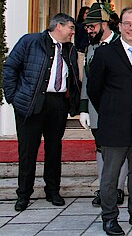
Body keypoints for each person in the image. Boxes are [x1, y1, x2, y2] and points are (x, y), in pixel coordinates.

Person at [3, 13, 80, 211]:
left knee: (54, 149)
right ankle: (23, 194)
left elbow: (73, 78)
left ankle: (53, 191)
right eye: (71, 27)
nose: (73, 32)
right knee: (27, 150)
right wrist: (13, 97)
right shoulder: (30, 42)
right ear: (59, 26)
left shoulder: (70, 49)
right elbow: (10, 68)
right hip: (31, 103)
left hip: (58, 104)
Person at [88, 7, 132, 235]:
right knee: (110, 176)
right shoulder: (105, 53)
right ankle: (109, 217)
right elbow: (94, 89)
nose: (131, 28)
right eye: (127, 24)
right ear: (119, 25)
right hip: (113, 127)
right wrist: (110, 110)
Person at [78, 0, 127, 208]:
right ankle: (104, 187)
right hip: (97, 109)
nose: (88, 30)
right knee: (100, 148)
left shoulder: (122, 44)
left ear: (104, 24)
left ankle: (118, 188)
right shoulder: (91, 48)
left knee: (120, 149)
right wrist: (83, 108)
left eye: (92, 26)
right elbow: (87, 80)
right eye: (87, 27)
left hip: (119, 108)